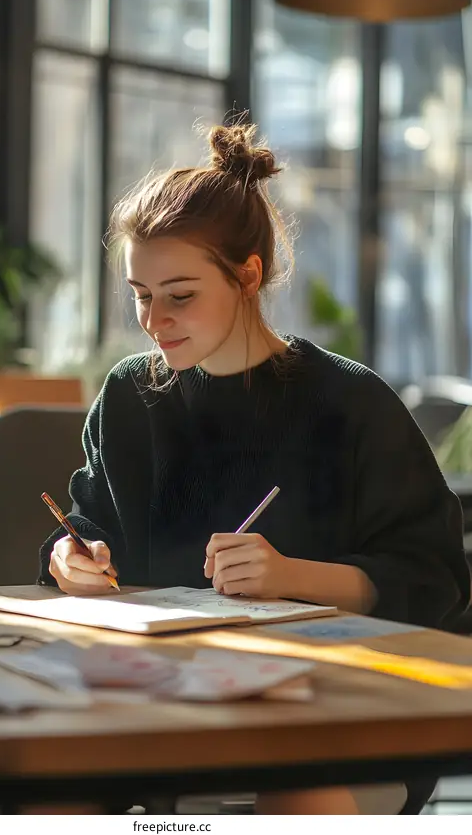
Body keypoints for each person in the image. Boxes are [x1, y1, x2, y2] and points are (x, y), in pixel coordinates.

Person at [39, 123, 470, 815]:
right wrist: (73, 556)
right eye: (140, 293)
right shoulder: (128, 398)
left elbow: (436, 579)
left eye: (179, 295)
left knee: (302, 803)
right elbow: (91, 522)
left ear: (248, 275)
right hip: (154, 709)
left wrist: (294, 578)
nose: (154, 320)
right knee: (45, 796)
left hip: (331, 711)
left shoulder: (349, 402)